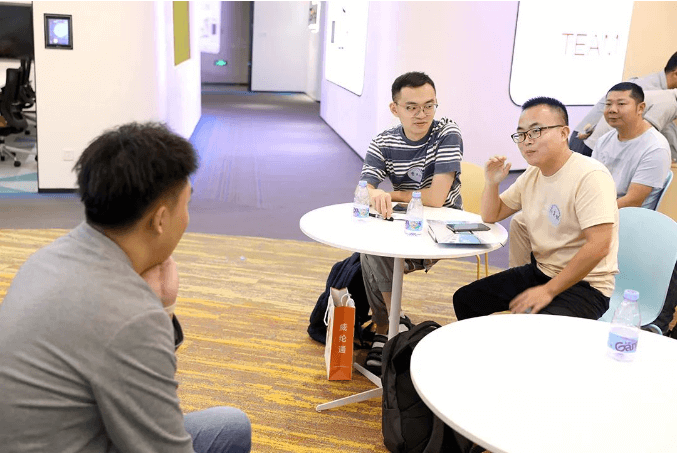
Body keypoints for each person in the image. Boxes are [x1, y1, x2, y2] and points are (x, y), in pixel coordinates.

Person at [0, 123, 251, 452]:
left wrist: (162, 308)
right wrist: (152, 314)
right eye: (186, 204)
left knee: (230, 426)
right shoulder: (131, 316)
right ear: (160, 220)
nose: (187, 218)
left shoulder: (46, 259)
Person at [510, 84, 675, 332]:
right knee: (523, 220)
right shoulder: (606, 139)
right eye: (608, 104)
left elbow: (634, 199)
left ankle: (552, 289)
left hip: (626, 219)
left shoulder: (656, 147)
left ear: (641, 108)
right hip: (590, 208)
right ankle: (531, 283)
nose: (612, 109)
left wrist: (582, 212)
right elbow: (585, 181)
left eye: (621, 104)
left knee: (552, 221)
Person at [453, 97, 619, 320]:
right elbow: (492, 215)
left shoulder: (590, 176)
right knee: (466, 299)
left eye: (536, 131)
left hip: (586, 285)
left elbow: (599, 246)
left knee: (535, 331)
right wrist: (492, 183)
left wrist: (548, 291)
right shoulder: (533, 173)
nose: (526, 141)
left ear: (563, 133)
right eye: (521, 134)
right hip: (542, 271)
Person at [359, 71, 463, 375]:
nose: (422, 114)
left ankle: (387, 329)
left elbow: (436, 199)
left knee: (373, 253)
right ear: (395, 109)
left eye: (429, 105)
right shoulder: (383, 141)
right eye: (412, 107)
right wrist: (373, 192)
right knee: (370, 249)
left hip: (441, 230)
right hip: (403, 224)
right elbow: (364, 189)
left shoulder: (446, 132)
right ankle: (393, 328)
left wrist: (391, 195)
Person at [570, 51, 677, 160]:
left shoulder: (663, 94)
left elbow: (666, 129)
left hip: (600, 143)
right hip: (587, 141)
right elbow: (647, 135)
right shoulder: (648, 89)